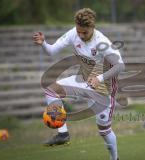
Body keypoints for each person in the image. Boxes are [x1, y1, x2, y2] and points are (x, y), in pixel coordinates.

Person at [33, 8, 124, 160]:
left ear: (92, 28)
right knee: (51, 90)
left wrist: (99, 78)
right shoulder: (72, 34)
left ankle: (115, 159)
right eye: (79, 31)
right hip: (83, 81)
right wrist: (43, 43)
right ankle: (63, 134)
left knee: (104, 130)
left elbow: (121, 66)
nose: (80, 35)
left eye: (85, 33)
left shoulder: (102, 42)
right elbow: (51, 51)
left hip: (103, 88)